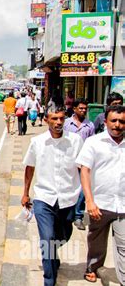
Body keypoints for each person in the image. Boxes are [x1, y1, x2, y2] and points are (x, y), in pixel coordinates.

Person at [22, 106, 83, 286]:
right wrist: (25, 193)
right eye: (54, 119)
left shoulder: (75, 142)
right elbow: (29, 167)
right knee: (47, 240)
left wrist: (88, 196)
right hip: (44, 199)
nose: (58, 122)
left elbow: (84, 168)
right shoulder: (37, 142)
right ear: (46, 120)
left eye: (61, 119)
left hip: (68, 199)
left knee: (64, 235)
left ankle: (52, 257)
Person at [77, 105, 125, 286]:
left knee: (123, 249)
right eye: (114, 121)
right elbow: (85, 170)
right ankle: (93, 266)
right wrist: (89, 200)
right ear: (105, 122)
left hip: (122, 205)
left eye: (122, 121)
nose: (117, 125)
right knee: (96, 240)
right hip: (100, 204)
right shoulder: (94, 142)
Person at [64, 98, 95, 230]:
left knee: (82, 191)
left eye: (85, 108)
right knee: (68, 188)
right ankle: (66, 213)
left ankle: (78, 217)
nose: (83, 110)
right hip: (67, 161)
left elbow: (91, 144)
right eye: (81, 108)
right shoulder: (66, 123)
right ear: (74, 109)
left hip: (83, 163)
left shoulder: (90, 125)